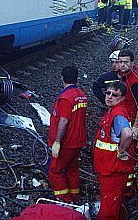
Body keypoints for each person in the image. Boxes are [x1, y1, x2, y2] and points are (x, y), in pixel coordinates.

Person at [93, 81, 136, 220]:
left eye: (114, 95)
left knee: (109, 208)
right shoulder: (114, 111)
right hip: (109, 167)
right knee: (115, 203)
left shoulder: (118, 114)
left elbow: (127, 134)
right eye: (108, 93)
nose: (109, 97)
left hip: (112, 169)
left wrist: (122, 152)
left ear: (122, 98)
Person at [47, 65, 88, 203]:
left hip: (67, 142)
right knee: (72, 168)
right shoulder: (81, 95)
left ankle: (65, 200)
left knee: (55, 170)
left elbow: (63, 121)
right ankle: (74, 195)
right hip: (79, 140)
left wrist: (57, 142)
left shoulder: (65, 98)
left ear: (62, 78)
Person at [92, 49, 138, 144]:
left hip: (129, 121)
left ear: (132, 63)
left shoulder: (136, 82)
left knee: (126, 148)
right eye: (120, 62)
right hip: (121, 117)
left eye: (126, 62)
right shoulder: (124, 76)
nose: (122, 65)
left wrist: (135, 126)